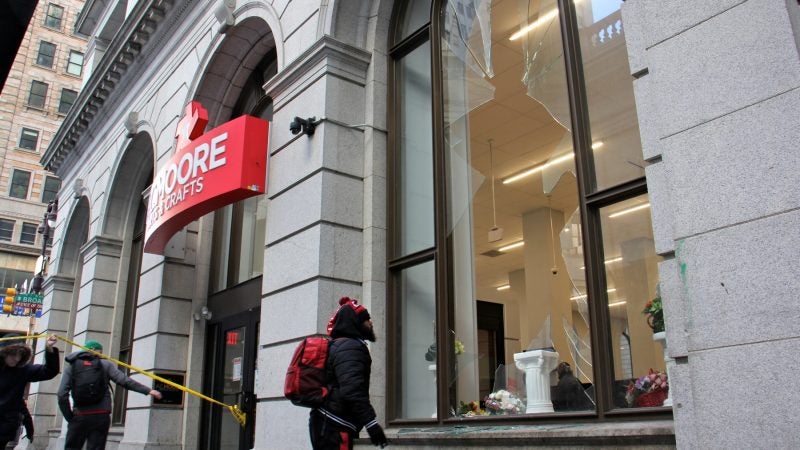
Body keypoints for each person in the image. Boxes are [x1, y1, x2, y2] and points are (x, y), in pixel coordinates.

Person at [309, 297, 388, 449]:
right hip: (335, 425)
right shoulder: (350, 348)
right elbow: (352, 390)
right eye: (366, 319)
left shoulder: (340, 345)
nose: (370, 322)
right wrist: (372, 424)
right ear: (355, 322)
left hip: (328, 423)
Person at [57, 340, 162, 450]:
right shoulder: (105, 364)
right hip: (101, 416)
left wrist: (70, 417)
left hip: (79, 415)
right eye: (101, 352)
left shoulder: (72, 367)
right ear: (93, 350)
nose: (102, 354)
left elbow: (61, 395)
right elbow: (124, 380)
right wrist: (148, 390)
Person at [0, 334, 60, 448]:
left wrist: (49, 349)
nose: (17, 359)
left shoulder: (23, 370)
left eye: (20, 355)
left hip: (5, 427)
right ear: (4, 352)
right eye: (13, 355)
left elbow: (50, 371)